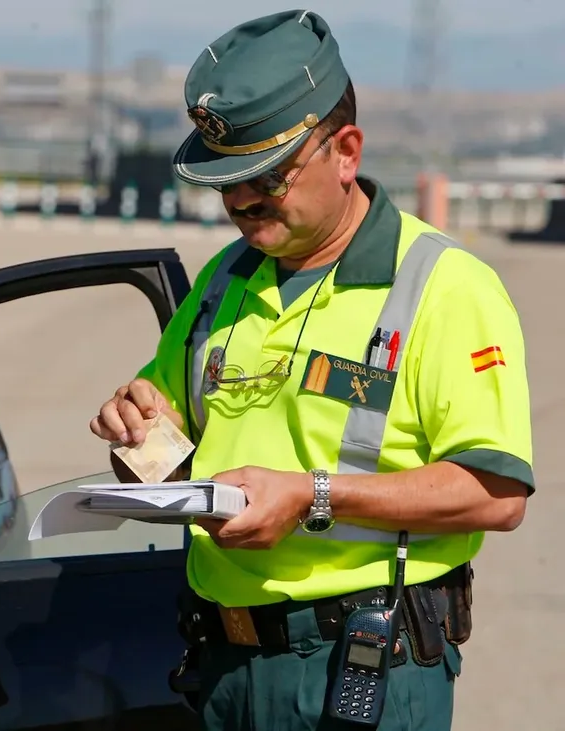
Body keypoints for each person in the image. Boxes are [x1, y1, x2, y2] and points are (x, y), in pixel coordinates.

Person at [89, 10, 532, 731]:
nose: (239, 202)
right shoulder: (225, 282)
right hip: (221, 671)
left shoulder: (444, 287)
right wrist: (134, 429)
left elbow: (496, 492)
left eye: (265, 176)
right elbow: (164, 451)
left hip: (360, 673)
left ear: (346, 150)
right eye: (223, 182)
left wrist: (311, 495)